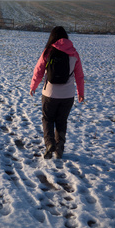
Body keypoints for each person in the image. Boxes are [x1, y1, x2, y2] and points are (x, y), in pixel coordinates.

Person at [30, 26, 84, 159]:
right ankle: (59, 148)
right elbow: (79, 75)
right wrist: (80, 93)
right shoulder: (73, 53)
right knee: (62, 121)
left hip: (49, 94)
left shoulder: (48, 52)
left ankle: (49, 144)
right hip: (68, 95)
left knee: (47, 119)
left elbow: (38, 71)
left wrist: (33, 86)